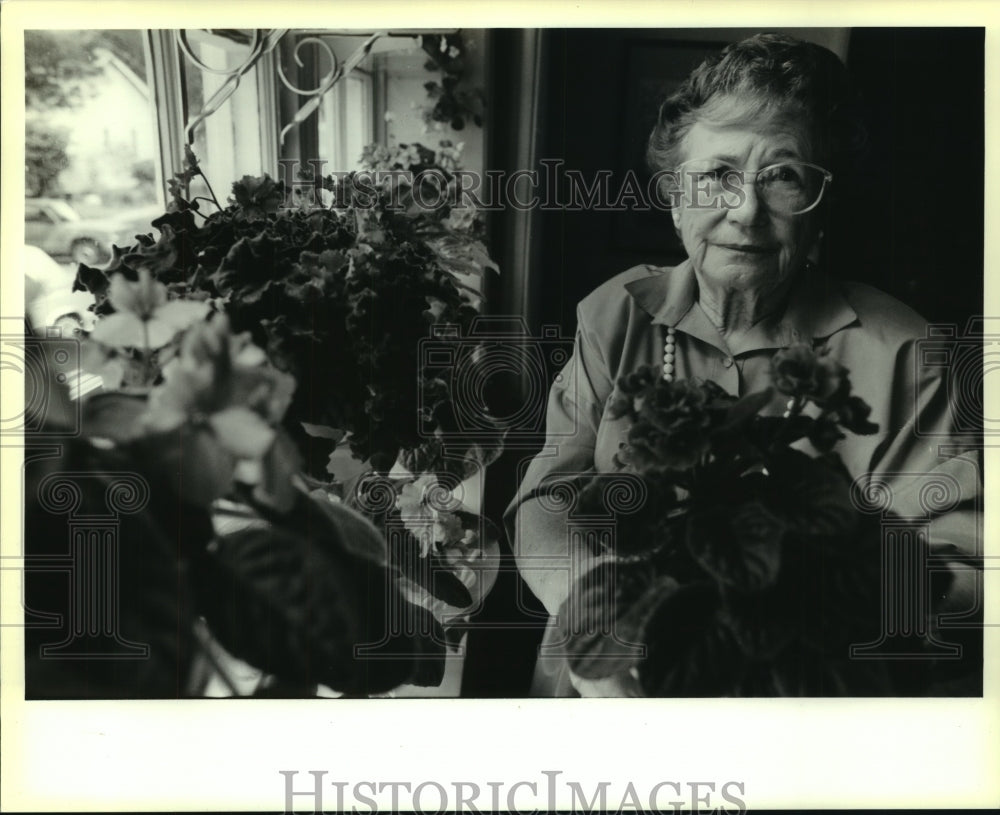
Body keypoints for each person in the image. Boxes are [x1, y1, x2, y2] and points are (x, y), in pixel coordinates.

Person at [504, 33, 982, 696]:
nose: (747, 210)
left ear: (821, 213)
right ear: (675, 200)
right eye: (718, 175)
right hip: (605, 692)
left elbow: (962, 573)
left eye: (784, 175)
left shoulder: (905, 352)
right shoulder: (616, 315)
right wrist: (605, 637)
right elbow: (545, 498)